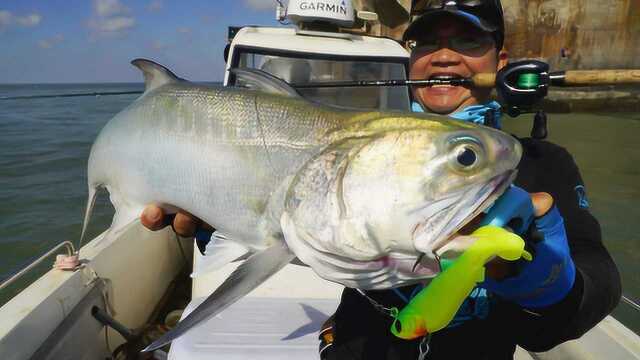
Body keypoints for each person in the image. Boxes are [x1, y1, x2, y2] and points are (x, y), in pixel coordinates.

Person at [140, 1, 621, 358]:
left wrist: (538, 274)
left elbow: (590, 293)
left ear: (499, 61)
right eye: (428, 43)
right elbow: (308, 231)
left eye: (470, 42)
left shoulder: (541, 163)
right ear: (410, 60)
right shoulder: (362, 147)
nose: (445, 57)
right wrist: (213, 217)